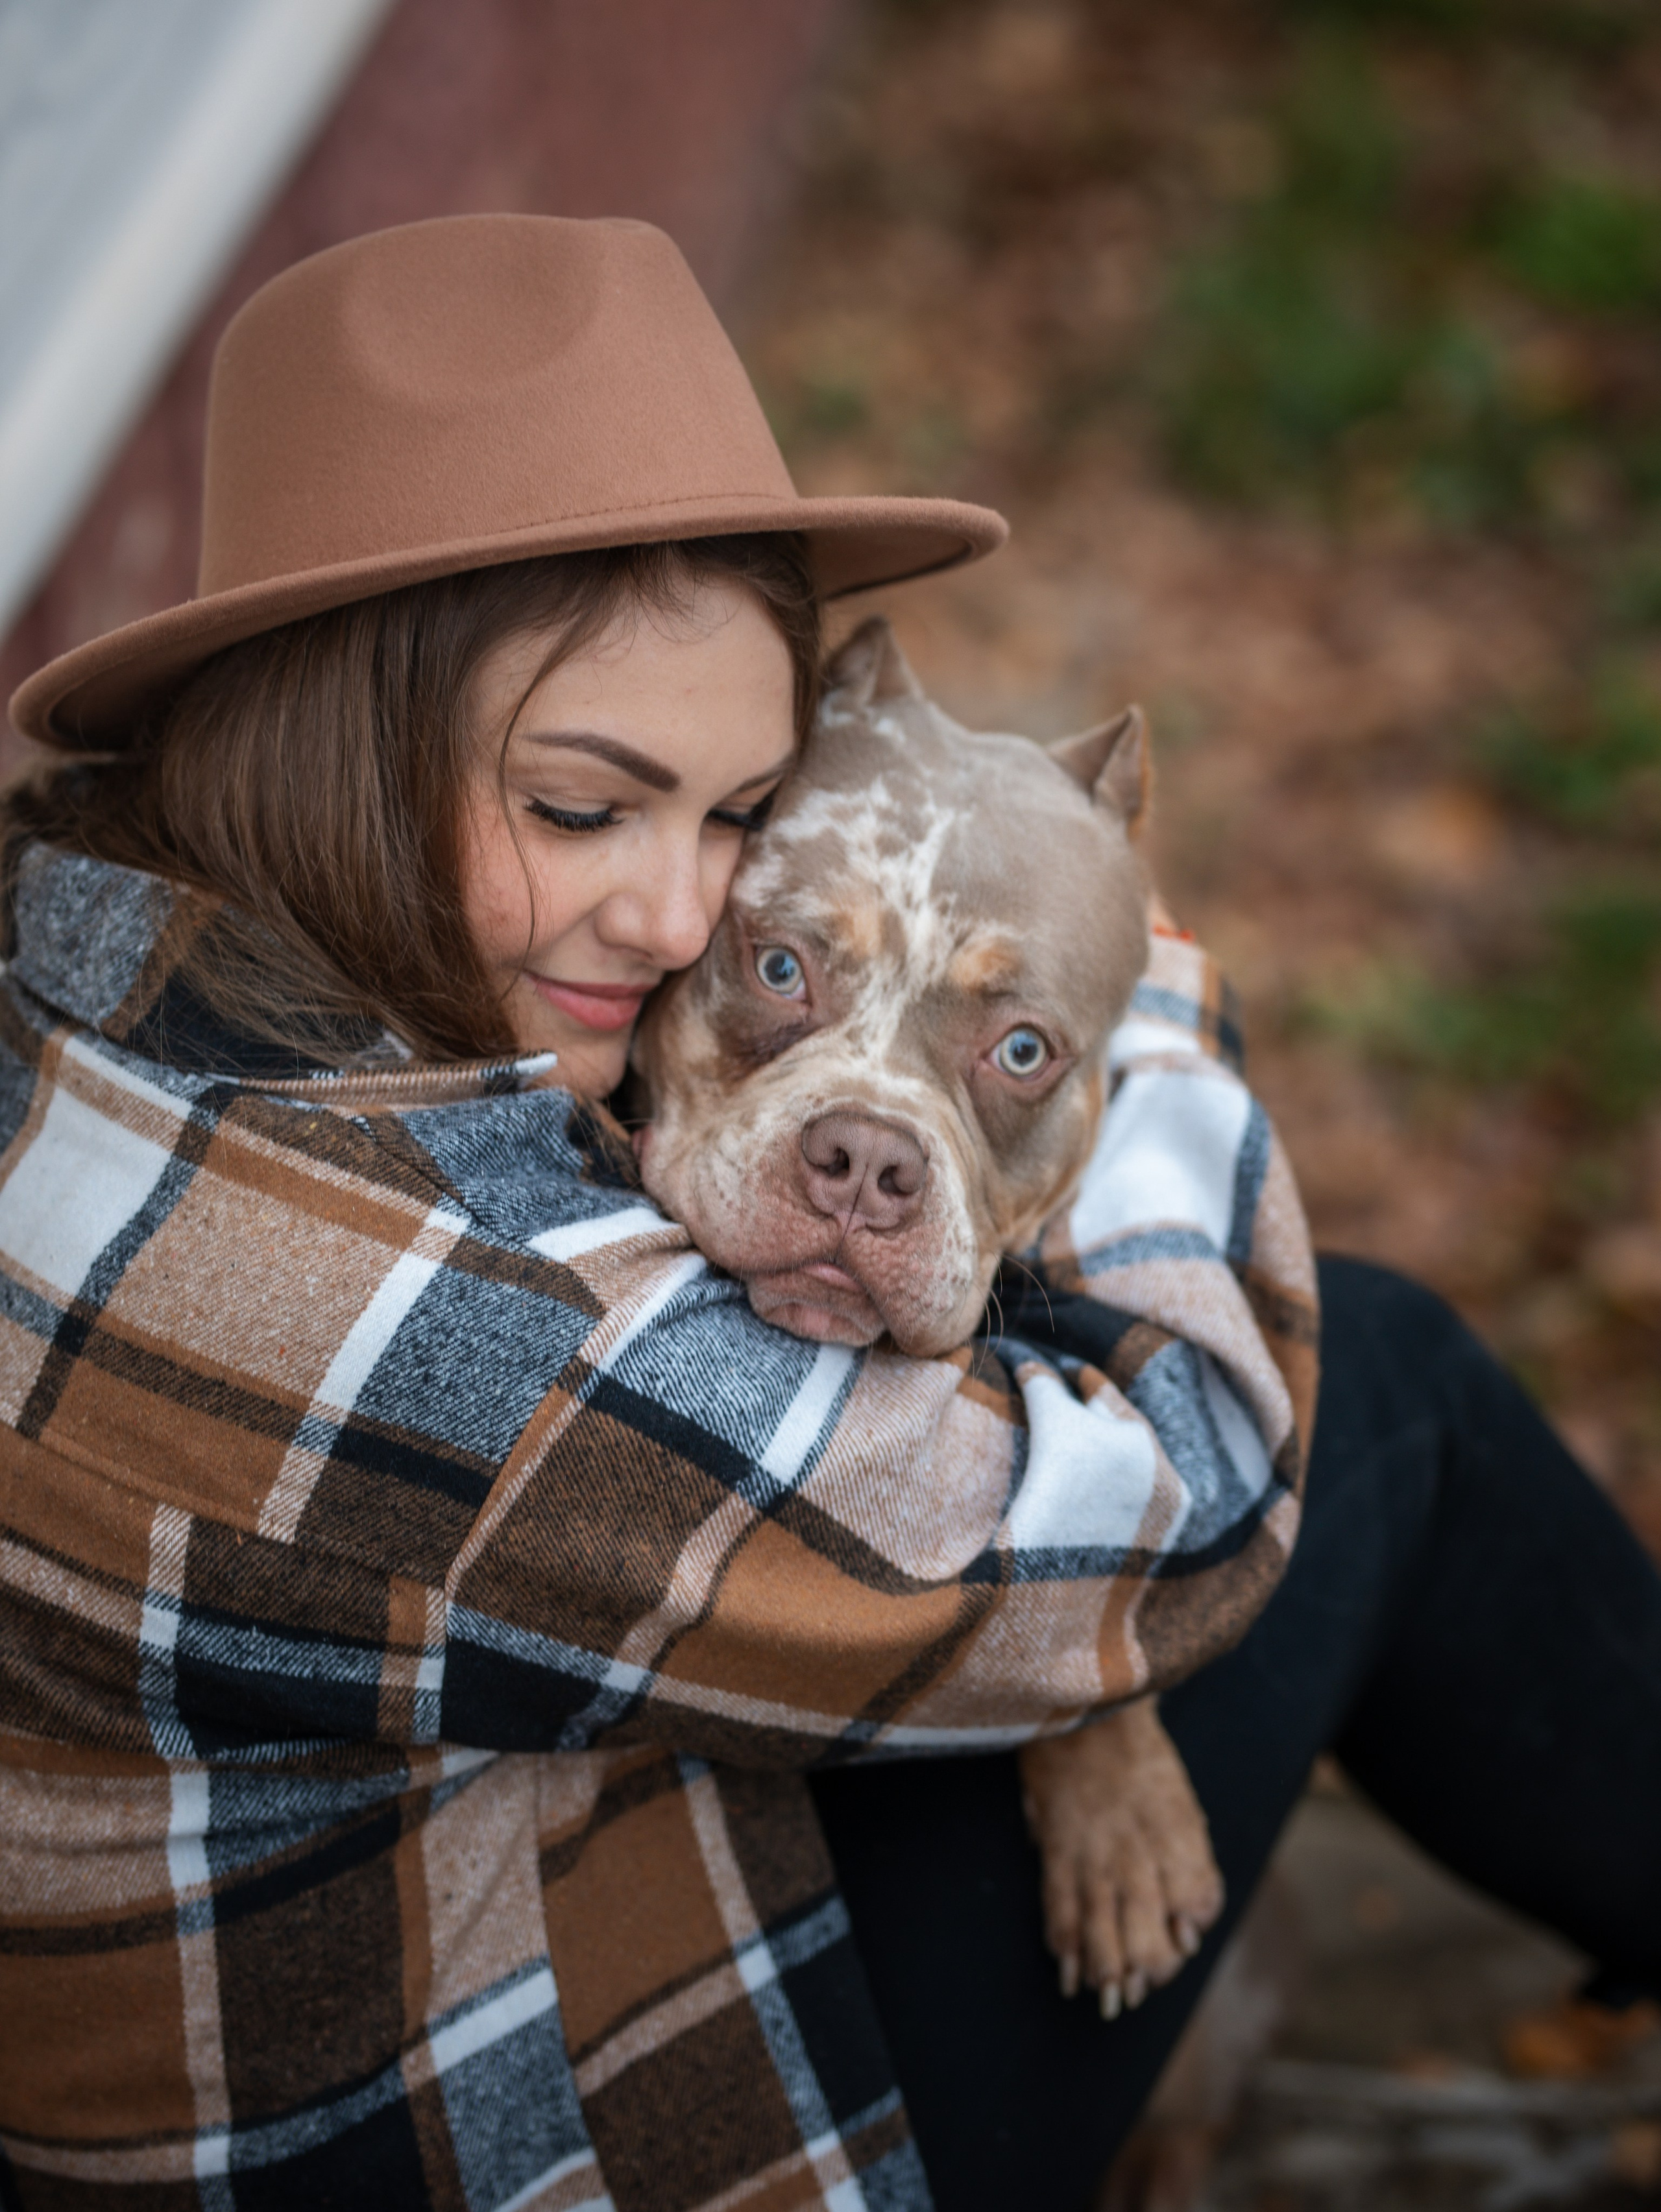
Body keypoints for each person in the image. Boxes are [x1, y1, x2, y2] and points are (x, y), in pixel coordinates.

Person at [0, 215, 1655, 2212]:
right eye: (580, 805)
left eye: (732, 819)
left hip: (523, 1893)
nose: (684, 918)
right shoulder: (428, 1317)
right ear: (332, 746)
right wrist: (1085, 986)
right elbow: (1165, 1520)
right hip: (543, 2129)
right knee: (1369, 1384)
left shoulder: (95, 974)